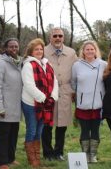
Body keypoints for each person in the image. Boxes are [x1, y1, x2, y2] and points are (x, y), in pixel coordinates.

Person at [21, 38, 58, 167]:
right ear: (31, 51)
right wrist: (43, 98)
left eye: (41, 49)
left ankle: (37, 157)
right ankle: (32, 160)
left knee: (39, 130)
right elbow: (29, 85)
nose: (39, 51)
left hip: (45, 104)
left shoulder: (47, 64)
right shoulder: (28, 65)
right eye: (36, 49)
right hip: (31, 103)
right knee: (31, 129)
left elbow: (55, 82)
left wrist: (53, 97)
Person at [43, 27, 77, 161]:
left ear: (63, 38)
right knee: (47, 123)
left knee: (62, 124)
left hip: (65, 91)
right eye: (55, 36)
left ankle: (58, 152)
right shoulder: (43, 51)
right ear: (50, 37)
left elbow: (76, 71)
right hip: (48, 91)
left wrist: (74, 90)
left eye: (60, 36)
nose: (58, 38)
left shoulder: (71, 52)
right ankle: (47, 152)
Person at [71, 41, 107, 163]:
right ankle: (85, 155)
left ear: (95, 51)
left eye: (92, 49)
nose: (90, 51)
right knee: (85, 130)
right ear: (83, 51)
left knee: (95, 130)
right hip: (82, 104)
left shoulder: (103, 64)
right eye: (87, 49)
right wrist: (79, 95)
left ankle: (93, 155)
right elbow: (73, 82)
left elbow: (107, 82)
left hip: (98, 104)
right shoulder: (77, 65)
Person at [0, 38, 23, 169]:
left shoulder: (19, 63)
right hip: (3, 107)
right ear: (5, 48)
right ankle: (2, 162)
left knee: (13, 135)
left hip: (16, 107)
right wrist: (0, 108)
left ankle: (11, 157)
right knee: (2, 136)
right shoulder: (0, 64)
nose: (14, 49)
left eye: (16, 46)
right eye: (11, 47)